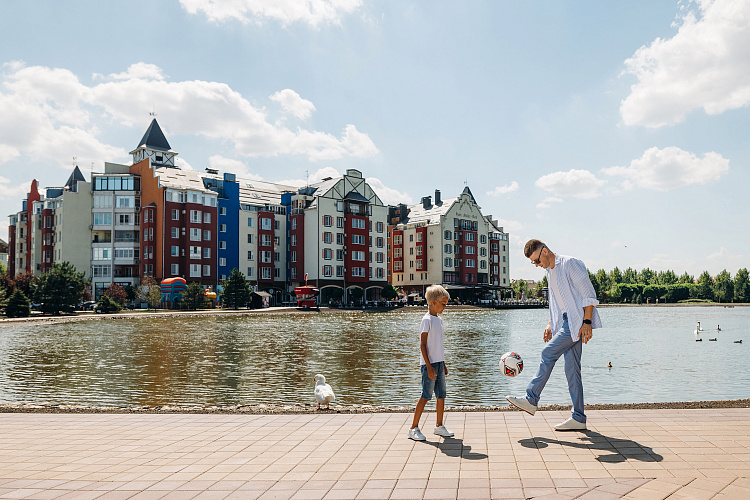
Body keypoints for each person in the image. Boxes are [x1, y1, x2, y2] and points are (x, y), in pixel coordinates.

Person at [505, 239, 602, 431]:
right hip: (564, 322)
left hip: (575, 322)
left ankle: (531, 398)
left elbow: (588, 294)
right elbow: (556, 303)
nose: (537, 265)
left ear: (544, 251)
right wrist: (550, 324)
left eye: (536, 261)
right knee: (572, 371)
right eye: (534, 263)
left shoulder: (570, 263)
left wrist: (587, 322)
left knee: (547, 353)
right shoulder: (550, 272)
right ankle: (579, 418)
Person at [407, 284, 454, 440]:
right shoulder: (426, 320)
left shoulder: (438, 320)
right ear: (433, 302)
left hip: (439, 363)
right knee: (426, 395)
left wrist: (443, 364)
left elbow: (438, 344)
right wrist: (428, 366)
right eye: (443, 304)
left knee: (441, 396)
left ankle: (439, 426)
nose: (445, 307)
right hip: (429, 365)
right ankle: (413, 428)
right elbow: (423, 344)